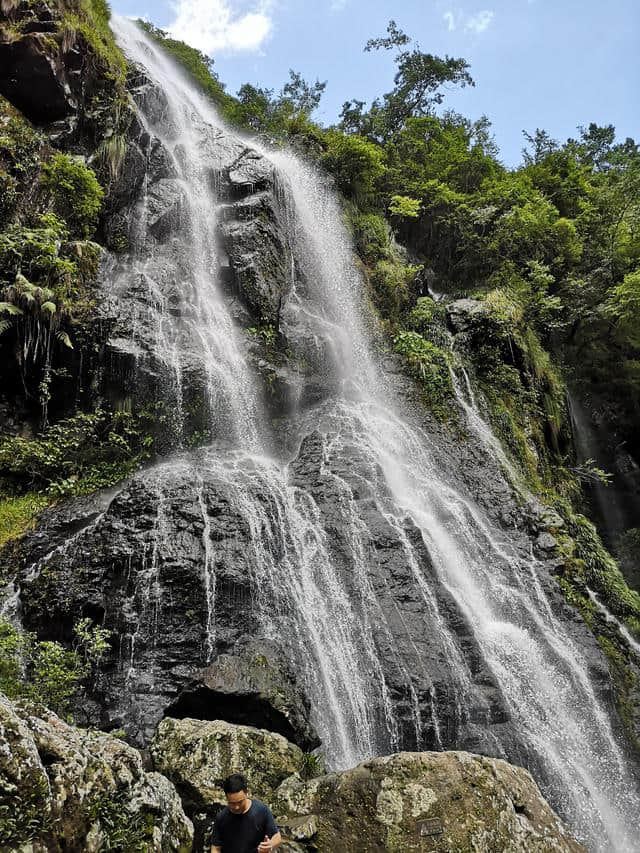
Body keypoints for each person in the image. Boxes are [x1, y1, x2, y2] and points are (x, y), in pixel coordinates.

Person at [210, 773, 282, 853]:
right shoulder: (221, 817)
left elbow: (277, 837)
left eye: (240, 802)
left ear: (246, 793)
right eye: (232, 803)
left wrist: (270, 845)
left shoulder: (261, 810)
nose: (236, 807)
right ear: (226, 797)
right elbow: (216, 848)